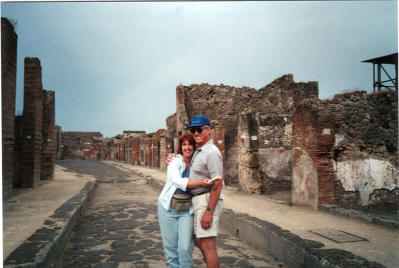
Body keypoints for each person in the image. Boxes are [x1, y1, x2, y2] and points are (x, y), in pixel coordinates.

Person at [168, 115, 224, 268]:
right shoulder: (200, 151)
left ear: (208, 130)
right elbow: (184, 155)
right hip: (197, 200)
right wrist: (172, 156)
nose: (196, 133)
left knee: (207, 245)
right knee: (200, 241)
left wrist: (209, 211)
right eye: (193, 130)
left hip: (206, 199)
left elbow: (217, 184)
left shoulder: (212, 152)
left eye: (199, 129)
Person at [158, 132, 213, 268]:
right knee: (170, 249)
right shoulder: (175, 161)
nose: (187, 147)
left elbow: (214, 177)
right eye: (184, 145)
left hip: (186, 210)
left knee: (185, 248)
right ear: (180, 147)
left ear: (194, 147)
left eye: (190, 144)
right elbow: (176, 181)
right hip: (167, 209)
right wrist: (200, 182)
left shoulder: (199, 162)